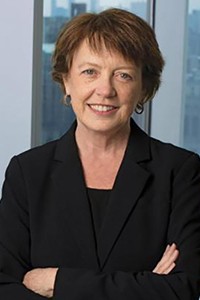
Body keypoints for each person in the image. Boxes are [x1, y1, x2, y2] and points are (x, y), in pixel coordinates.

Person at [0, 8, 200, 300]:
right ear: (66, 81)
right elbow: (4, 286)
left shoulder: (180, 171)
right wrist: (143, 286)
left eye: (123, 75)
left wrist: (57, 281)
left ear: (143, 88)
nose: (105, 90)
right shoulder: (28, 172)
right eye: (90, 72)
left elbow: (183, 287)